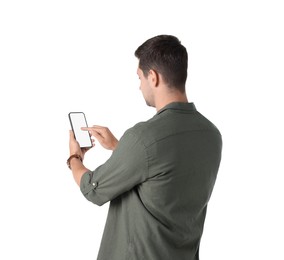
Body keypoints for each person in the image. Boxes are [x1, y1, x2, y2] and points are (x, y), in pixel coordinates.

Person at [67, 34, 222, 260]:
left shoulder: (142, 138)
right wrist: (121, 148)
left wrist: (74, 158)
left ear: (153, 77)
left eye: (139, 77)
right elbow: (163, 176)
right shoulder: (211, 135)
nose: (139, 86)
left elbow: (93, 189)